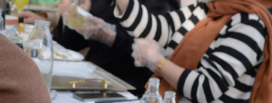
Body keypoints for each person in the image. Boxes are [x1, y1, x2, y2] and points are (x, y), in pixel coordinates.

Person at [112, 0, 272, 103]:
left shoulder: (249, 26)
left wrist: (157, 61)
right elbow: (153, 29)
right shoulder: (208, 8)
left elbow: (205, 88)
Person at [52, 0, 180, 95]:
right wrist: (73, 17)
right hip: (92, 78)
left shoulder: (159, 4)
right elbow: (69, 46)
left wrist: (111, 38)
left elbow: (154, 53)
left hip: (127, 87)